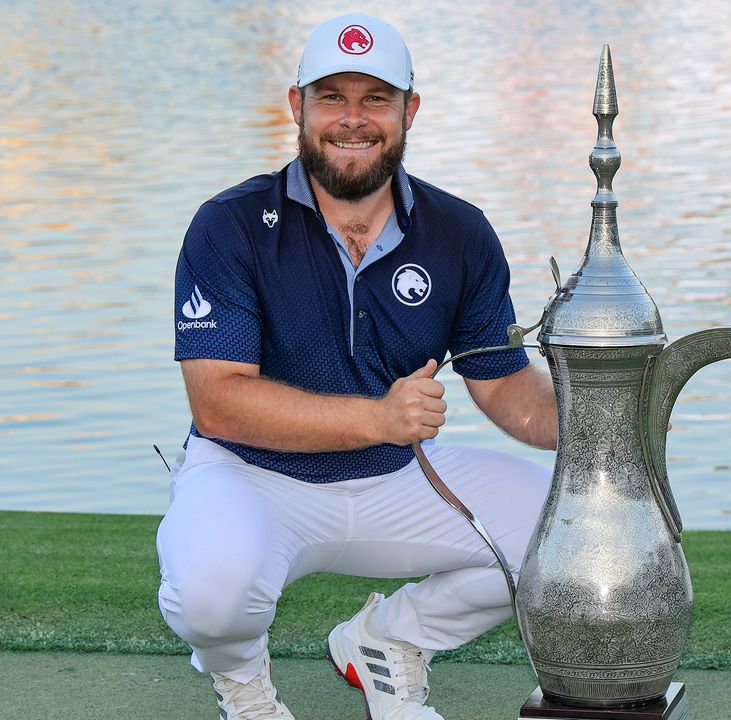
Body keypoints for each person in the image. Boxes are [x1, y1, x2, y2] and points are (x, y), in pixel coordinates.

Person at [157, 13, 557, 720]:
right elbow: (218, 402)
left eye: (375, 98)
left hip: (398, 476)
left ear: (410, 110)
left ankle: (386, 642)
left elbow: (502, 383)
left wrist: (606, 419)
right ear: (297, 107)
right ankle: (245, 689)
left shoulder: (458, 230)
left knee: (565, 539)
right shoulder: (230, 224)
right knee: (212, 593)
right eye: (331, 97)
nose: (352, 119)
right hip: (251, 475)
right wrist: (378, 416)